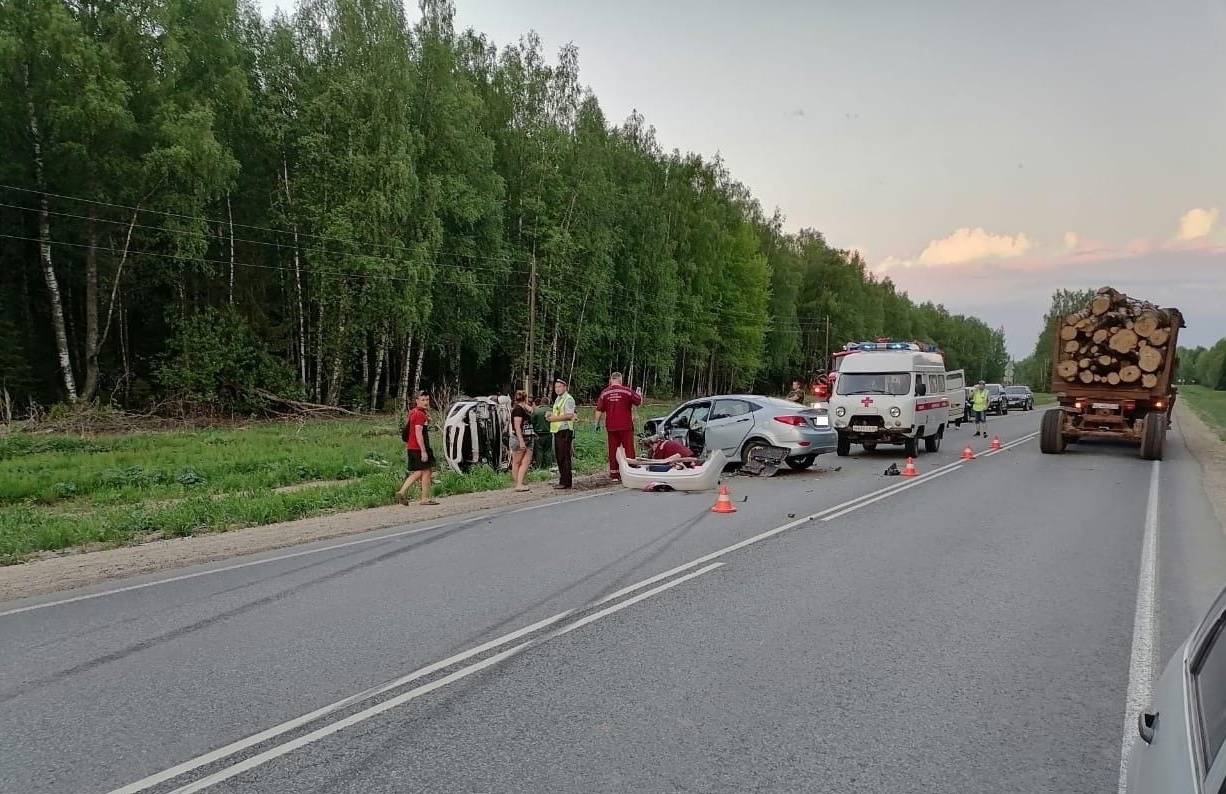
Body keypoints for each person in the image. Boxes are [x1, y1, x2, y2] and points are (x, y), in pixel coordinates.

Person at [595, 371, 642, 480]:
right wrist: (639, 393)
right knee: (629, 449)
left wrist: (596, 423)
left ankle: (614, 474)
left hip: (611, 426)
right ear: (620, 380)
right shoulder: (627, 391)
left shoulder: (604, 393)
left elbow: (598, 410)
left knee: (613, 450)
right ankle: (631, 472)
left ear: (611, 380)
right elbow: (638, 402)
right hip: (625, 426)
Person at [396, 392, 439, 506]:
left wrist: (427, 420)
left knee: (424, 471)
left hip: (412, 447)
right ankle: (422, 498)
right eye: (423, 400)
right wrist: (423, 451)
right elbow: (418, 433)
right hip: (418, 448)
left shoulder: (414, 412)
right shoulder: (419, 414)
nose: (425, 402)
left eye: (427, 399)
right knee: (425, 471)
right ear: (417, 401)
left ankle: (403, 492)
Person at [547, 378, 577, 489]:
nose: (557, 389)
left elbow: (570, 415)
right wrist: (550, 414)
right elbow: (559, 412)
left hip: (564, 430)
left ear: (565, 387)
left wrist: (554, 418)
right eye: (556, 387)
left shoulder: (568, 399)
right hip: (558, 430)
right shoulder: (558, 399)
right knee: (559, 456)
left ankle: (566, 482)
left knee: (564, 457)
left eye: (559, 387)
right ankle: (562, 480)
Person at [510, 390, 535, 492]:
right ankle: (518, 484)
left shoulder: (523, 408)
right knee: (517, 462)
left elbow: (534, 411)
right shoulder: (517, 410)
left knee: (526, 462)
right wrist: (521, 441)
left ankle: (520, 482)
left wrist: (528, 406)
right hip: (520, 438)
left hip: (529, 437)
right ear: (525, 398)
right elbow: (517, 426)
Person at [531, 395, 554, 469]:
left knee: (539, 451)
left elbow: (532, 421)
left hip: (538, 434)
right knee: (548, 451)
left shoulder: (536, 410)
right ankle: (548, 466)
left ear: (541, 402)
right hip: (549, 433)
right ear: (548, 402)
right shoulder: (552, 410)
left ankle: (539, 467)